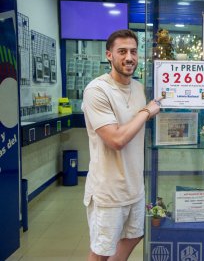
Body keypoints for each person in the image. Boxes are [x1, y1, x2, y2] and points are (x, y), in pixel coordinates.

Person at [82, 29, 162, 260]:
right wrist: (147, 111)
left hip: (134, 187)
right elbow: (116, 139)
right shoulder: (96, 90)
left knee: (134, 236)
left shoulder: (137, 88)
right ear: (109, 55)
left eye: (134, 52)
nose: (129, 57)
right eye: (122, 51)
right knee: (101, 251)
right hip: (108, 190)